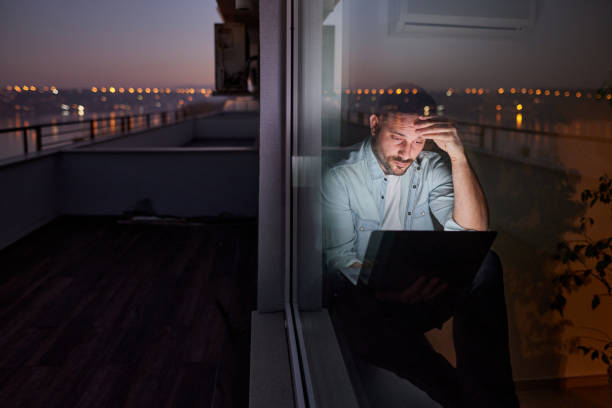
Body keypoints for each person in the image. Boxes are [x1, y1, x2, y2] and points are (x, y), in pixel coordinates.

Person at [322, 90, 519, 407]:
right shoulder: (341, 177)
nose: (406, 152)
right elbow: (339, 262)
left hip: (422, 291)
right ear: (375, 125)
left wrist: (457, 155)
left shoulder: (430, 167)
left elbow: (472, 233)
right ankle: (472, 400)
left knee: (487, 265)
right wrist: (391, 289)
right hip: (370, 303)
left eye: (417, 141)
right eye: (397, 138)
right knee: (372, 326)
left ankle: (484, 396)